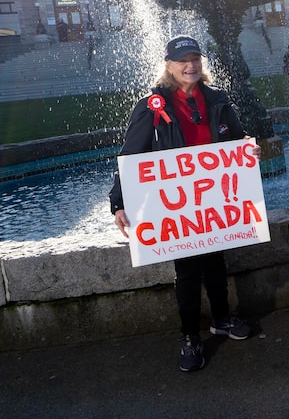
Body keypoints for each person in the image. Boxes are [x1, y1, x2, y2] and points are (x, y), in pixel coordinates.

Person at [109, 35, 254, 372]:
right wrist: (118, 202)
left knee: (217, 259)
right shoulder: (152, 104)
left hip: (213, 197)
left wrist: (250, 148)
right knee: (187, 270)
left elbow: (237, 139)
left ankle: (221, 319)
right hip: (177, 205)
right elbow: (131, 155)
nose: (190, 66)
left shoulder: (217, 99)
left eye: (195, 59)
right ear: (169, 65)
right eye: (182, 60)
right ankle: (189, 335)